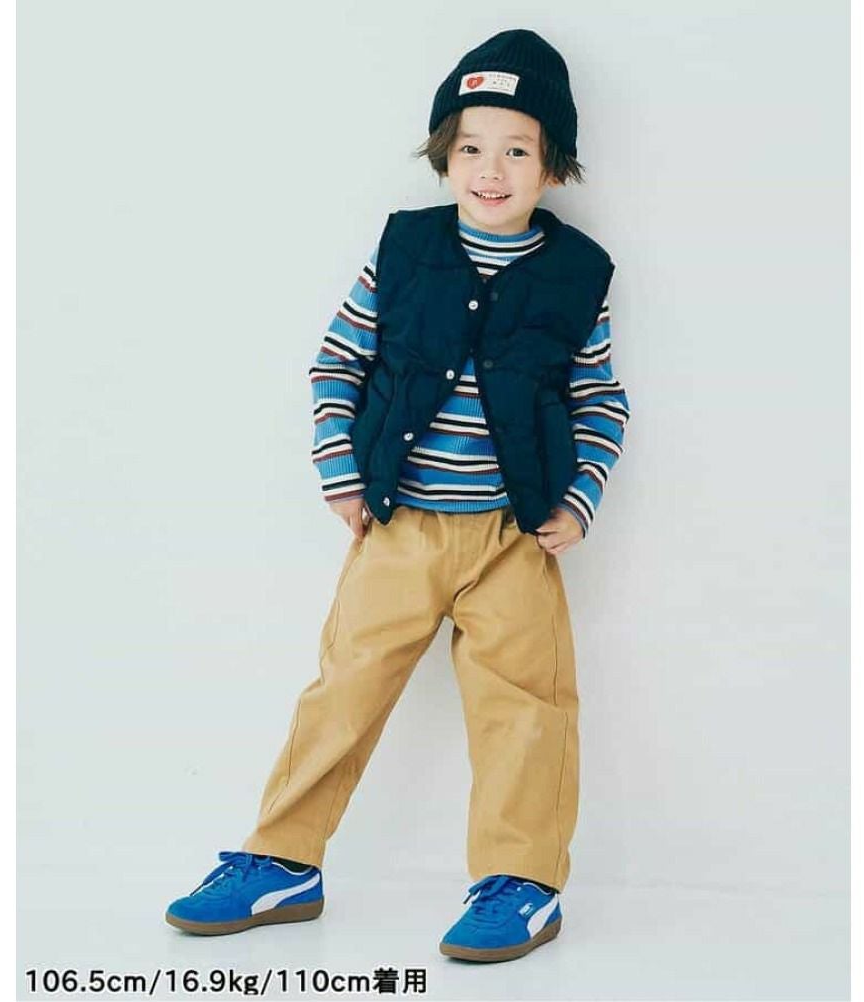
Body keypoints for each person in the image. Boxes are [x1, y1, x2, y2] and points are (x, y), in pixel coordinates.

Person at [165, 28, 631, 964]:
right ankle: (283, 859)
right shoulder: (405, 250)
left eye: (517, 151)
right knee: (344, 689)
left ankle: (521, 881)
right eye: (471, 148)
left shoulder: (579, 275)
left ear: (554, 167)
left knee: (526, 707)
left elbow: (600, 399)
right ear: (443, 155)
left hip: (513, 539)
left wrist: (578, 500)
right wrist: (341, 475)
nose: (490, 171)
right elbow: (337, 364)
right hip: (399, 528)